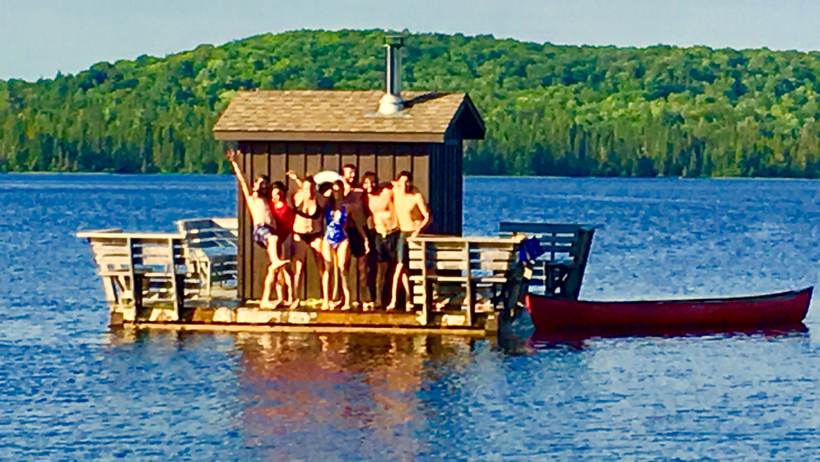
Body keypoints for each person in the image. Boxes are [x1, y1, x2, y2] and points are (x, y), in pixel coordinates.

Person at [225, 149, 289, 309]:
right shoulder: (252, 197)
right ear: (254, 184)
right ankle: (275, 261)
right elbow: (242, 181)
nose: (261, 185)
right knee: (275, 250)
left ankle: (268, 299)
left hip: (271, 231)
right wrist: (235, 163)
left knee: (276, 270)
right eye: (259, 183)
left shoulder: (267, 198)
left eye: (264, 183)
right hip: (261, 230)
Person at [388, 171, 431, 312]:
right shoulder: (396, 191)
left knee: (412, 268)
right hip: (403, 233)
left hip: (414, 233)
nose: (404, 184)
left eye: (407, 182)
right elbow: (389, 185)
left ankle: (409, 300)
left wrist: (418, 231)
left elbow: (427, 216)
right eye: (402, 182)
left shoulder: (416, 196)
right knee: (401, 267)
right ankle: (400, 300)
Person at [287, 170, 325, 310]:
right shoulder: (299, 197)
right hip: (300, 234)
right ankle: (295, 297)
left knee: (322, 265)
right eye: (306, 188)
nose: (308, 190)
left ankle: (326, 297)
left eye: (310, 188)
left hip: (314, 233)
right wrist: (297, 181)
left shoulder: (317, 199)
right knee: (299, 267)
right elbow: (298, 197)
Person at [322, 180, 362, 311]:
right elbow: (314, 196)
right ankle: (327, 300)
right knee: (327, 268)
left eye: (338, 190)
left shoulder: (348, 206)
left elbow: (356, 222)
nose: (336, 193)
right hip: (328, 237)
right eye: (334, 190)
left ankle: (347, 299)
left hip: (342, 237)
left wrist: (364, 238)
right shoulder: (327, 205)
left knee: (342, 268)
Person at [365, 177, 401, 310]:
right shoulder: (367, 197)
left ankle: (396, 299)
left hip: (392, 232)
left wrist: (395, 183)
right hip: (378, 234)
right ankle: (378, 299)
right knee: (379, 269)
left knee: (397, 267)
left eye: (372, 182)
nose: (370, 185)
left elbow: (401, 188)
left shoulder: (387, 192)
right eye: (367, 183)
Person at [340, 164, 372, 309]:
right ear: (343, 174)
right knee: (342, 266)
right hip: (343, 231)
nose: (352, 176)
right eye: (349, 173)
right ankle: (344, 298)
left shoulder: (360, 191)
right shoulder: (338, 191)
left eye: (354, 173)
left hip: (359, 230)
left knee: (362, 267)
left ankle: (364, 298)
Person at [270, 181, 296, 308]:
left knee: (286, 268)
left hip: (286, 237)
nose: (277, 196)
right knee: (277, 269)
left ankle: (291, 296)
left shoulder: (287, 206)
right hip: (275, 239)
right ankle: (280, 297)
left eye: (279, 193)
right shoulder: (270, 206)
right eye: (275, 194)